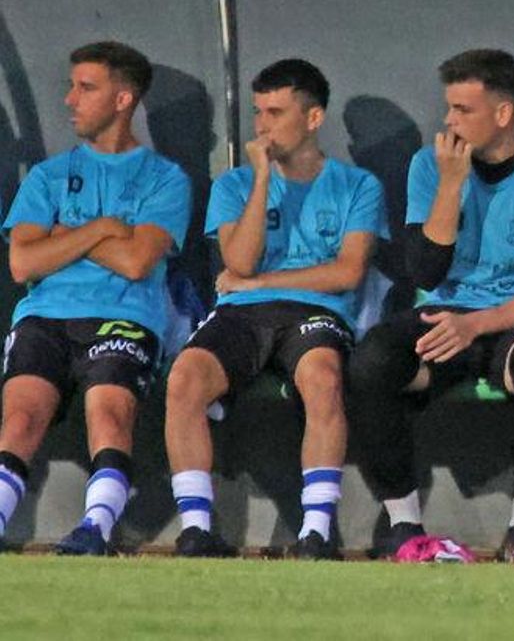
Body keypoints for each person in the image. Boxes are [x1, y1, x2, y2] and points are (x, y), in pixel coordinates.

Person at [348, 49, 514, 562]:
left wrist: (476, 325)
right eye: (448, 108)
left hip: (513, 318)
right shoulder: (429, 167)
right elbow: (425, 272)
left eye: (463, 110)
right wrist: (452, 183)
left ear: (504, 114)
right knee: (371, 363)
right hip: (448, 310)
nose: (449, 122)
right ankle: (404, 524)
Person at [164, 59, 384, 559]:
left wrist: (260, 279)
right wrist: (263, 180)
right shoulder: (236, 184)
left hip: (316, 311)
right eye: (259, 112)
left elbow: (347, 272)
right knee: (186, 377)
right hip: (243, 313)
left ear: (313, 119)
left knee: (323, 376)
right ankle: (197, 529)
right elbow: (236, 260)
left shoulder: (358, 186)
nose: (262, 125)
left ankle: (316, 531)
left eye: (276, 113)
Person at [1, 41, 191, 555]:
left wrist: (66, 233)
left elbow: (137, 262)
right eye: (72, 86)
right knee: (20, 418)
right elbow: (23, 263)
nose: (69, 100)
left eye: (86, 88)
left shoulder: (165, 178)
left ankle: (96, 528)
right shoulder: (48, 176)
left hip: (124, 314)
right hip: (46, 314)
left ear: (124, 98)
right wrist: (104, 229)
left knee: (108, 413)